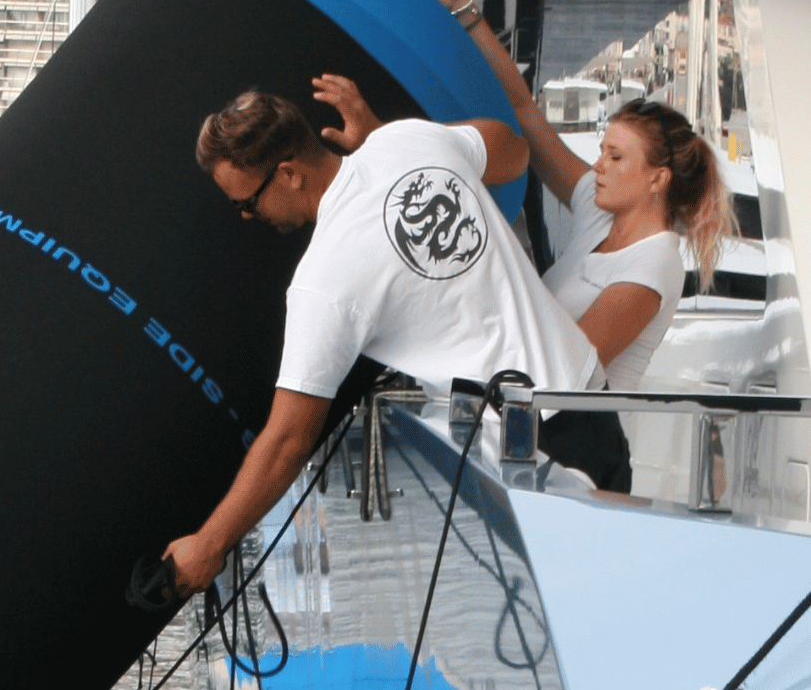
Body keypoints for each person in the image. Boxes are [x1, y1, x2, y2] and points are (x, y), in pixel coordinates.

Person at [163, 90, 607, 598]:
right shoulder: (404, 138)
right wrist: (401, 143)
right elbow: (513, 152)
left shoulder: (323, 280)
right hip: (593, 398)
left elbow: (288, 440)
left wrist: (209, 543)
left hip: (533, 454)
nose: (246, 215)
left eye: (248, 202)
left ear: (289, 173)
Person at [408, 0, 736, 392]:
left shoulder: (654, 265)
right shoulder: (599, 212)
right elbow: (523, 110)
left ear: (658, 178)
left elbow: (568, 369)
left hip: (576, 452)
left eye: (616, 158)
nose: (598, 166)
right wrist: (461, 6)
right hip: (529, 429)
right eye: (602, 151)